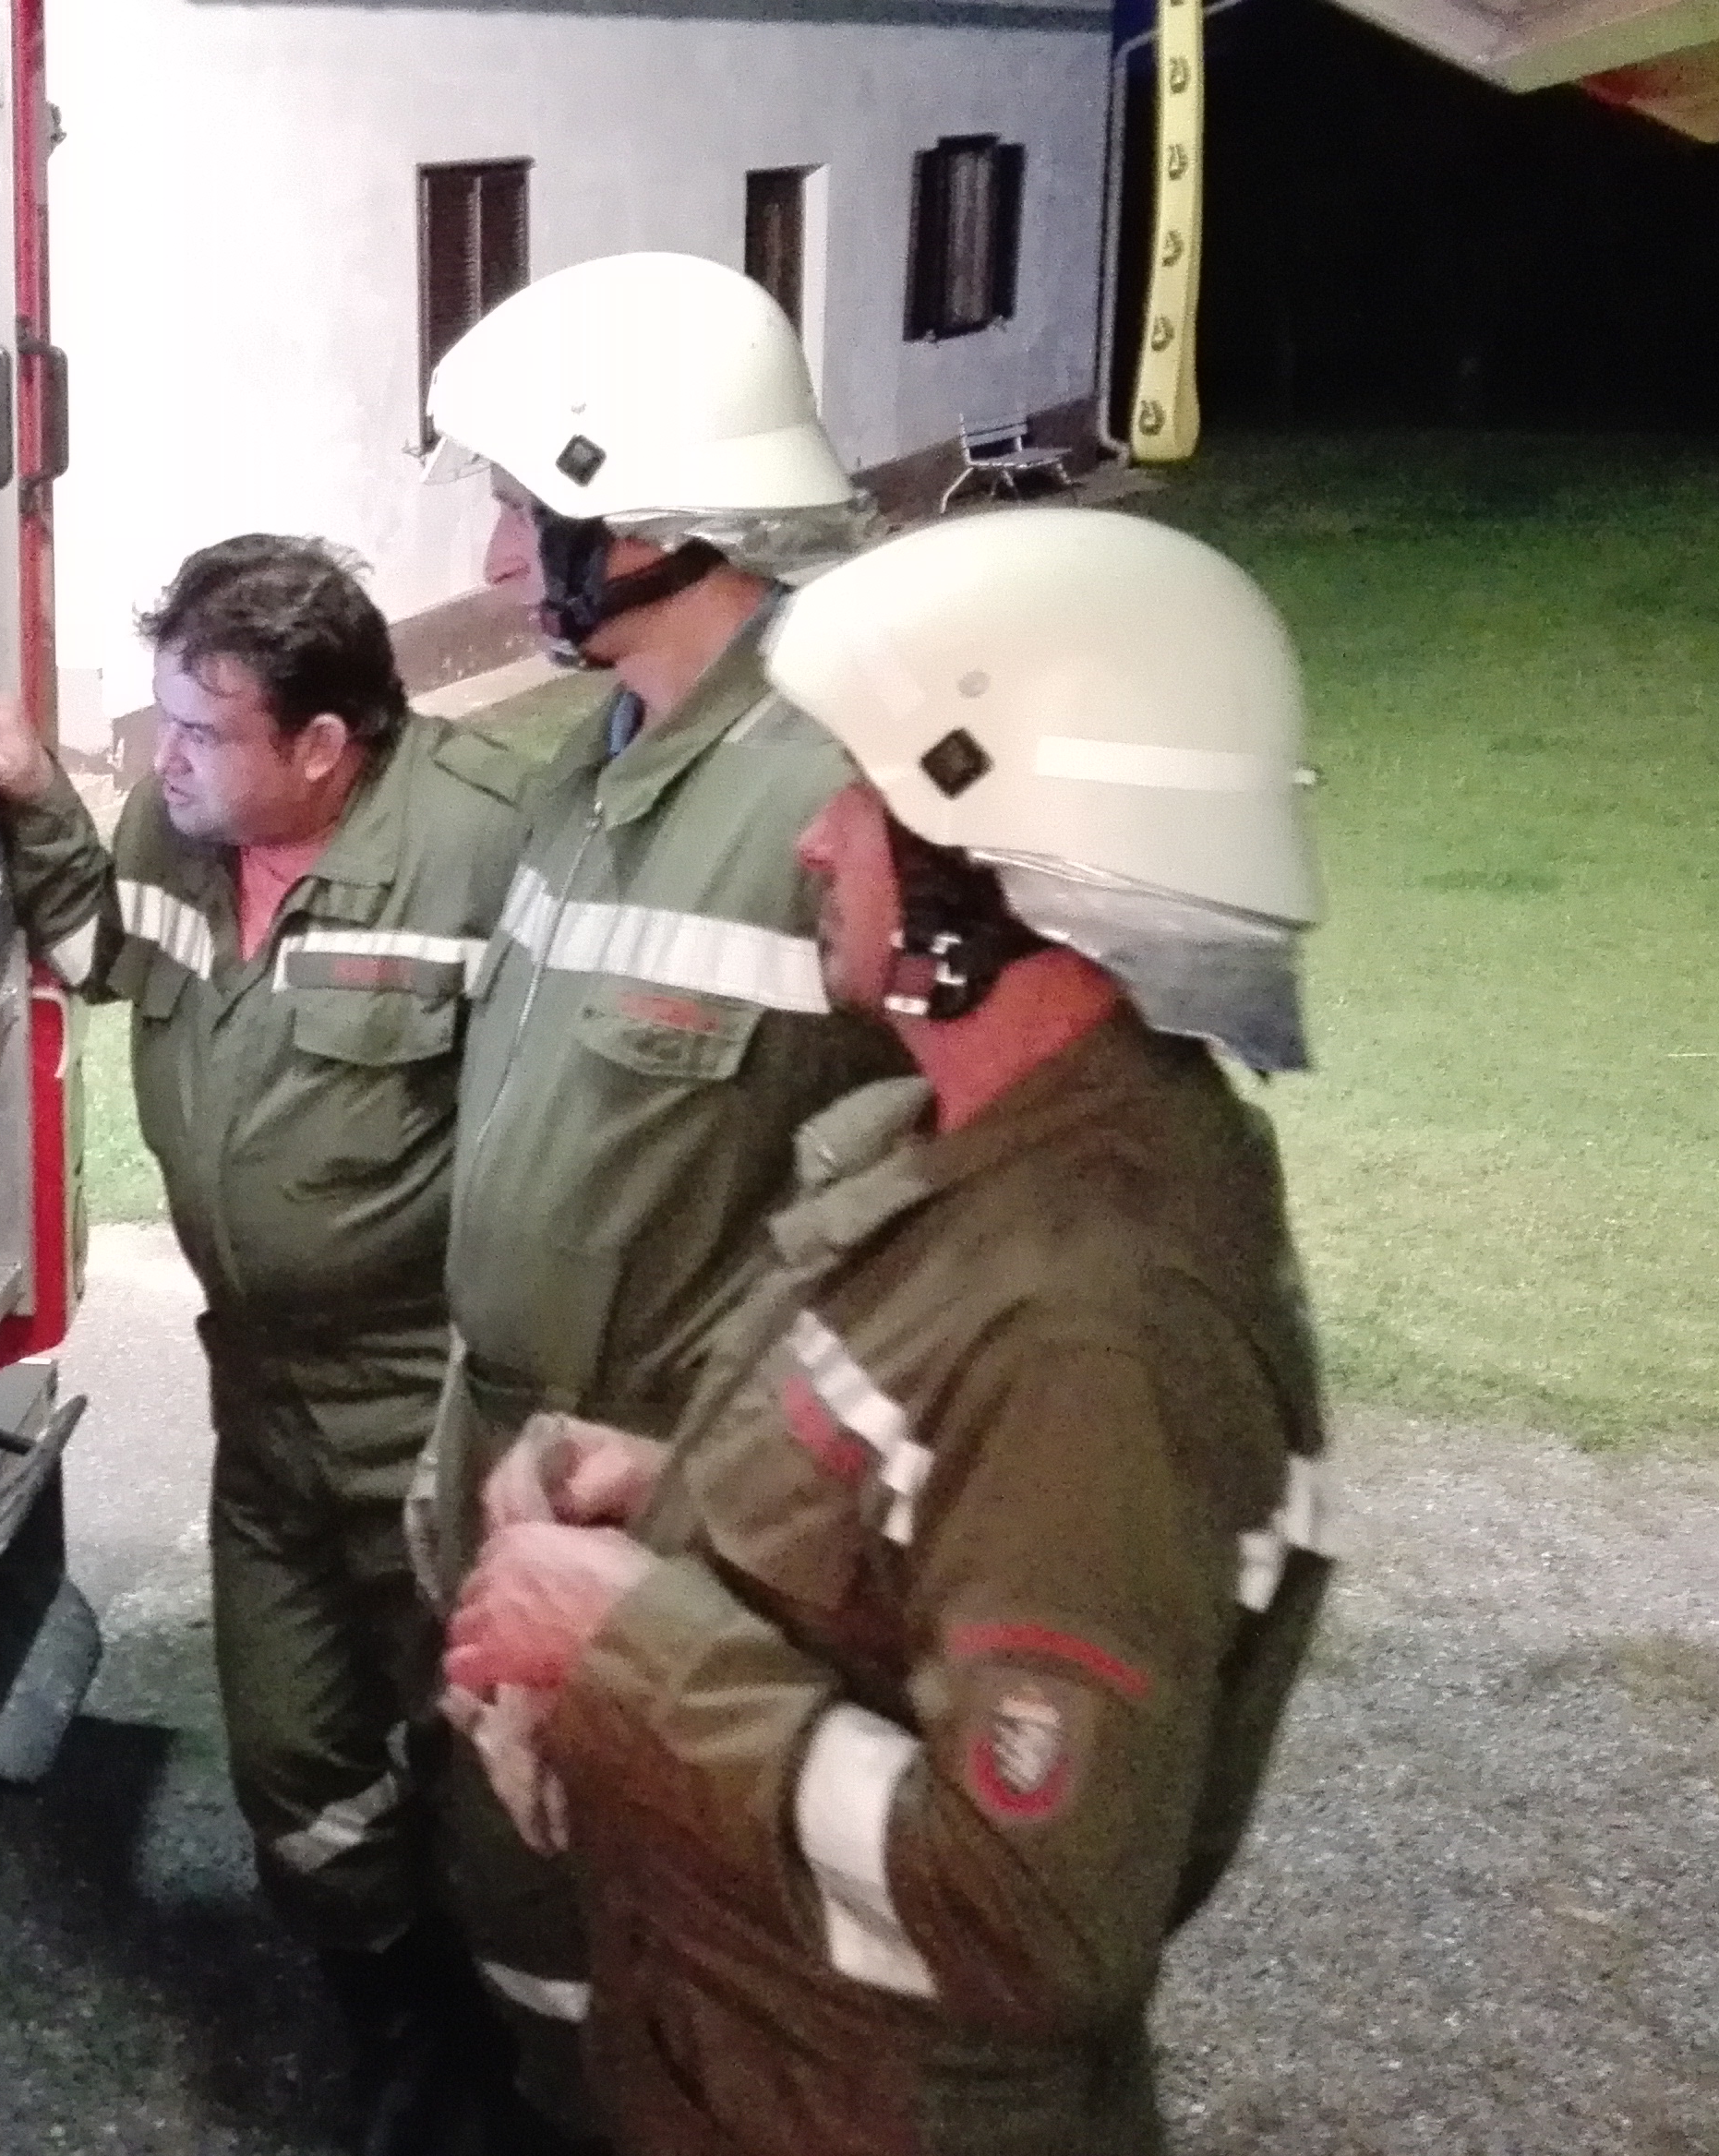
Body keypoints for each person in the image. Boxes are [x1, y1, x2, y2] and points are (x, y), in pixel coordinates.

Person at [441, 506, 1339, 2154]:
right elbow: (915, 1512)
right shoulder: (970, 1152)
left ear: (990, 875)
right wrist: (671, 1491)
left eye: (863, 798)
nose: (813, 842)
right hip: (748, 2060)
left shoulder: (1098, 1329)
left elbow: (1028, 1912)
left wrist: (627, 1642)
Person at [405, 251, 912, 2134]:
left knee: (661, 1941)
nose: (491, 555)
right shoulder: (592, 767)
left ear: (641, 524)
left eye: (520, 507)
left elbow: (914, 1235)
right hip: (507, 1454)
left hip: (678, 1520)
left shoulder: (831, 806)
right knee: (520, 1889)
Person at [0, 535, 534, 2153]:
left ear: (325, 746)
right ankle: (391, 2022)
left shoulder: (489, 847)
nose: (166, 761)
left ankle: (517, 2072)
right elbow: (106, 952)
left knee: (497, 1771)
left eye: (204, 733)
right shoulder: (185, 822)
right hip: (263, 1399)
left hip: (432, 1405)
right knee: (294, 1757)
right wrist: (39, 801)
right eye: (164, 721)